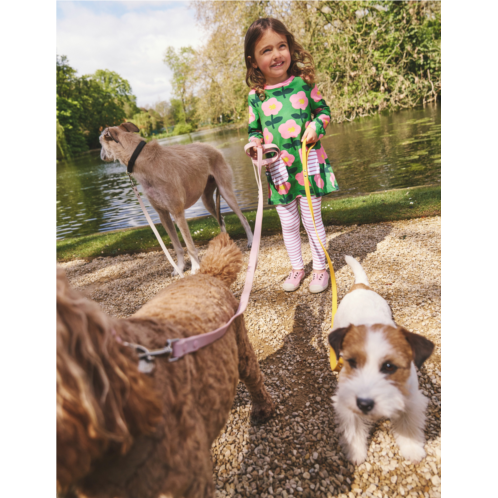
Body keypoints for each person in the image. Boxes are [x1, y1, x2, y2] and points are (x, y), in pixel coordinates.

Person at [245, 17, 339, 294]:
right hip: (279, 171)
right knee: (288, 223)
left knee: (312, 220)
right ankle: (298, 267)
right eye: (266, 50)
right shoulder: (256, 97)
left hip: (307, 164)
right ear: (253, 61)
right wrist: (254, 146)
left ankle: (320, 268)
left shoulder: (303, 83)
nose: (276, 55)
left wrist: (315, 126)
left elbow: (324, 112)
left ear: (290, 47)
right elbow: (254, 131)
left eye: (281, 46)